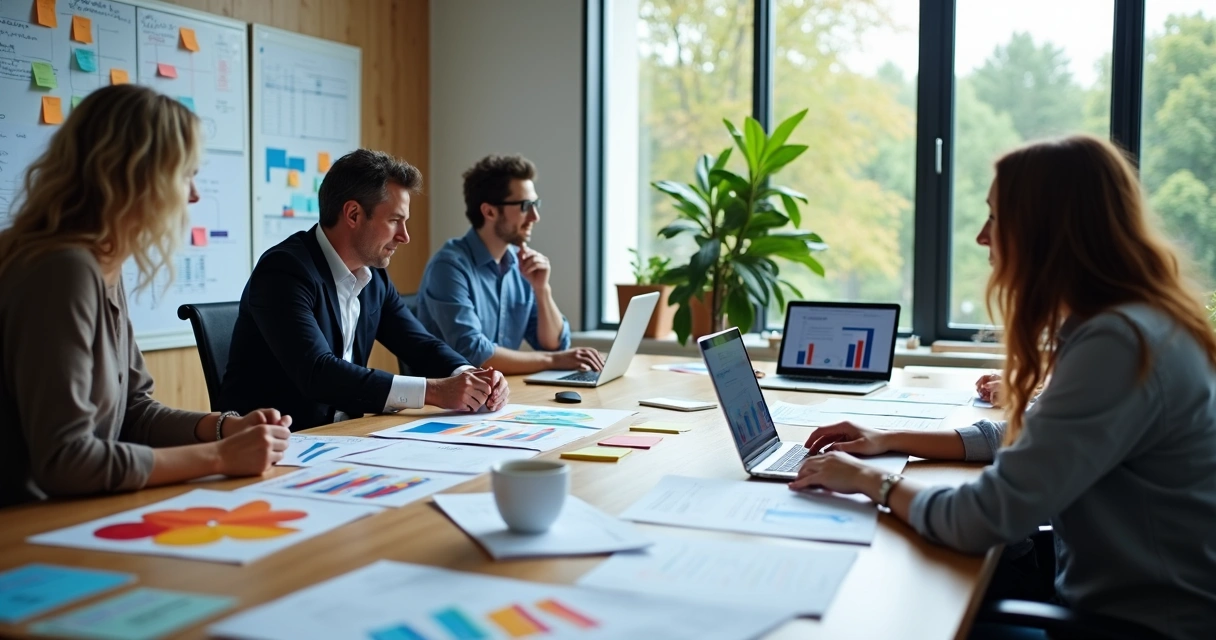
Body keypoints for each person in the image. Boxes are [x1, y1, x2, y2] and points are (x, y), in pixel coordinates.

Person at [791, 135, 1216, 639]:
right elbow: (1027, 440)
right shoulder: (1132, 324)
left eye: (995, 217)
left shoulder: (1118, 345)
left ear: (1044, 231)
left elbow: (978, 520)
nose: (981, 237)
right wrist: (887, 438)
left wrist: (870, 481)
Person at [0, 85, 291, 508]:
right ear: (135, 177)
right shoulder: (63, 270)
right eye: (186, 174)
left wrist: (226, 427)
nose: (193, 194)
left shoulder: (100, 263)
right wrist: (218, 456)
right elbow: (65, 460)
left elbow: (134, 412)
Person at [221, 149, 509, 431]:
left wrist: (469, 375)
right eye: (395, 220)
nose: (405, 236)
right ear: (354, 214)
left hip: (349, 437)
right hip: (278, 444)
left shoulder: (374, 278)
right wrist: (433, 391)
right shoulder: (284, 271)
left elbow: (420, 344)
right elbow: (318, 373)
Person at [416, 154, 603, 375]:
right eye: (526, 206)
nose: (535, 216)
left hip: (499, 396)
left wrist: (542, 290)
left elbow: (553, 345)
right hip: (448, 405)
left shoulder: (520, 264)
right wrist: (552, 360)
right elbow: (475, 353)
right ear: (490, 211)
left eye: (536, 204)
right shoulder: (448, 267)